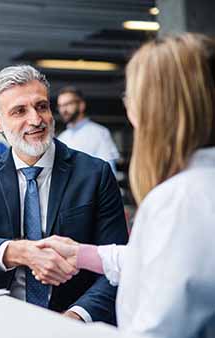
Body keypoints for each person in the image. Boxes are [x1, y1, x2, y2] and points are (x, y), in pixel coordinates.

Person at [40, 33, 215, 338]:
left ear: (156, 108)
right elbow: (166, 262)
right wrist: (83, 254)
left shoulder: (179, 201)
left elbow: (155, 330)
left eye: (131, 96)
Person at [0, 65, 129, 324]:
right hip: (3, 317)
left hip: (74, 318)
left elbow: (117, 264)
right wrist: (20, 252)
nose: (36, 119)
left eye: (41, 106)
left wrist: (76, 317)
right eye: (20, 111)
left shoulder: (94, 174)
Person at [56, 86, 120, 174]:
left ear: (81, 105)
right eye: (60, 106)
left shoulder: (100, 133)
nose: (63, 110)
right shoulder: (61, 138)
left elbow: (109, 171)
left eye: (68, 104)